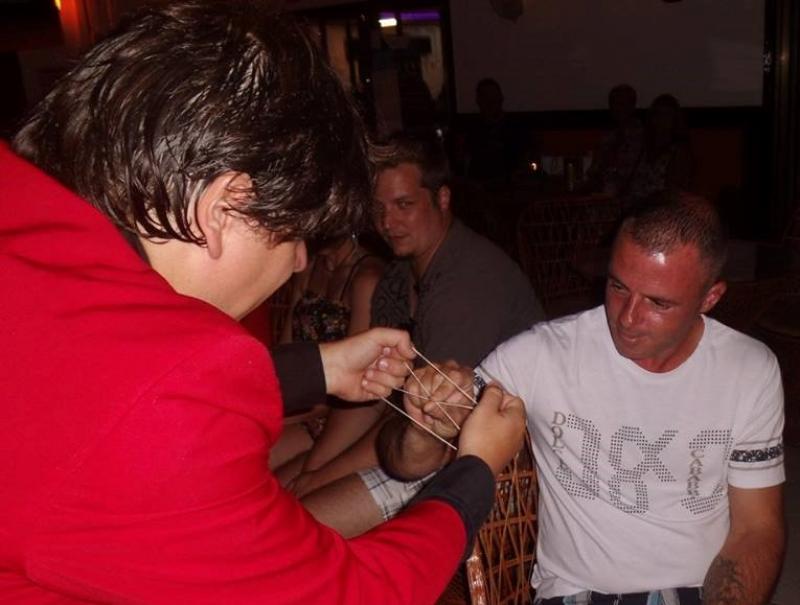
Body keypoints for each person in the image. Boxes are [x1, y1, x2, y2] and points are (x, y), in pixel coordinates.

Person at [0, 3, 528, 603]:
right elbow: (350, 592)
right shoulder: (167, 391)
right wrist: (477, 469)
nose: (301, 261)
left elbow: (81, 395)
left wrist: (318, 368)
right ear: (224, 208)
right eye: (295, 233)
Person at [384, 194, 786, 605]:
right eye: (617, 286)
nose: (627, 317)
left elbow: (757, 528)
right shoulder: (541, 355)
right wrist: (427, 424)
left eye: (658, 303)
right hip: (578, 594)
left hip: (698, 591)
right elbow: (405, 464)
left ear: (710, 298)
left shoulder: (749, 369)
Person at [298, 132, 545, 536]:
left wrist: (319, 478)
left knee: (298, 524)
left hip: (477, 458)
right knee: (278, 489)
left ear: (442, 199)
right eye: (378, 208)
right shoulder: (401, 274)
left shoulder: (465, 283)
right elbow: (375, 393)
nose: (387, 222)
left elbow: (425, 428)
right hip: (411, 438)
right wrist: (313, 469)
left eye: (404, 205)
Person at [271, 234, 386, 485]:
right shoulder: (308, 266)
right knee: (234, 453)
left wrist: (275, 413)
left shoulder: (367, 278)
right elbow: (287, 350)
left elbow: (356, 384)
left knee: (272, 485)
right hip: (300, 405)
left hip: (340, 419)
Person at [623, 93, 693, 210]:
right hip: (634, 207)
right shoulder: (642, 147)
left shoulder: (678, 152)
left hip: (661, 211)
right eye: (658, 115)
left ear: (675, 120)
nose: (661, 120)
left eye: (667, 115)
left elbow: (675, 192)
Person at [583, 84, 644, 196]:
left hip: (634, 195)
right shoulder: (607, 137)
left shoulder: (644, 136)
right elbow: (594, 170)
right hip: (605, 195)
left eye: (623, 104)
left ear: (632, 105)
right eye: (614, 104)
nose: (618, 108)